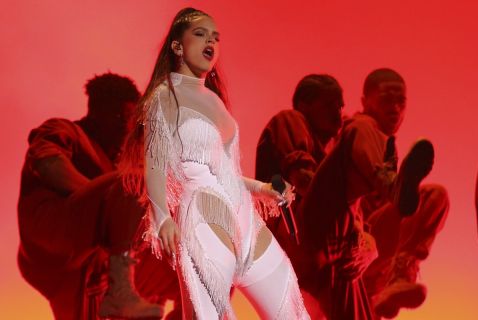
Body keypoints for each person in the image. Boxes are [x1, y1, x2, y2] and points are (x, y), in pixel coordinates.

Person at [121, 7, 310, 319]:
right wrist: (162, 217)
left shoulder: (214, 99)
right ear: (177, 46)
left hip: (244, 218)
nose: (211, 41)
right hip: (203, 214)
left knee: (291, 309)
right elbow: (155, 162)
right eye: (200, 34)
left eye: (215, 37)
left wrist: (263, 188)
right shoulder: (164, 96)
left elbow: (224, 173)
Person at [17, 73, 169, 319]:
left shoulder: (114, 158)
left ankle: (131, 292)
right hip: (53, 237)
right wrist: (105, 201)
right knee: (135, 181)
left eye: (131, 119)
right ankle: (120, 288)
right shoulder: (65, 129)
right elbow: (47, 163)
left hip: (81, 266)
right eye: (121, 117)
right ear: (97, 112)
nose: (126, 126)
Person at [300, 68, 449, 319]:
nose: (394, 108)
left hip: (370, 263)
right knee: (432, 195)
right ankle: (390, 184)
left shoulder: (385, 145)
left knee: (435, 198)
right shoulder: (356, 129)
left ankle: (397, 278)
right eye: (385, 100)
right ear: (365, 101)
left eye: (400, 102)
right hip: (342, 248)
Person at [255, 74, 344, 318]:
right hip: (289, 232)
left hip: (311, 258)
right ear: (305, 103)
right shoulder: (292, 120)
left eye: (340, 106)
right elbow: (303, 180)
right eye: (330, 104)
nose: (338, 112)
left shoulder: (325, 149)